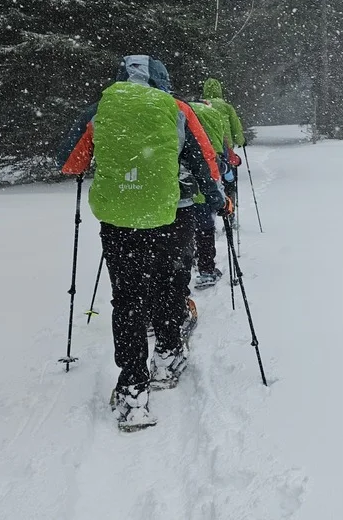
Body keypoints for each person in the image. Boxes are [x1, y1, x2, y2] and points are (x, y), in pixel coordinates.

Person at [57, 55, 226, 431]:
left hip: (119, 222)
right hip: (172, 216)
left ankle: (134, 389)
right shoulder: (178, 108)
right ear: (162, 80)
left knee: (128, 299)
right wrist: (217, 200)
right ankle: (167, 357)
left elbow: (69, 162)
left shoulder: (100, 109)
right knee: (169, 286)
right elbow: (205, 162)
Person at [187, 98, 236, 287]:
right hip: (206, 187)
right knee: (205, 227)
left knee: (184, 226)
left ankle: (189, 259)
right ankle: (206, 270)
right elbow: (218, 162)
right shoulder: (215, 115)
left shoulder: (181, 119)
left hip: (182, 189)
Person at [202, 78, 246, 208]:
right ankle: (230, 207)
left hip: (207, 149)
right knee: (230, 182)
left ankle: (211, 209)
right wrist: (241, 141)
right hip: (226, 150)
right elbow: (236, 128)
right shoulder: (227, 107)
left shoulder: (203, 106)